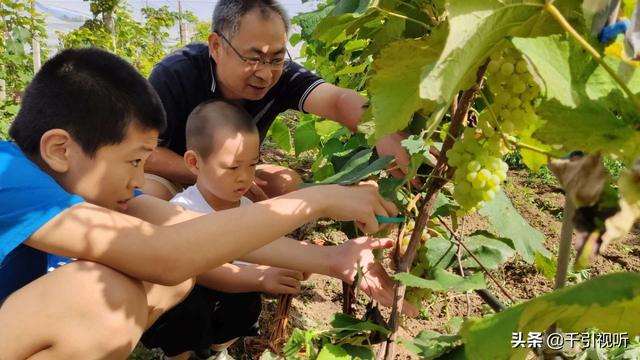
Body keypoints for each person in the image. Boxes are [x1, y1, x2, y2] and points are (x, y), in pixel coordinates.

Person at [0, 48, 413, 359]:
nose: (140, 178)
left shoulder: (75, 186)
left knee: (174, 278)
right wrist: (317, 199)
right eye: (133, 161)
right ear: (59, 149)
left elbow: (185, 229)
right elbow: (164, 255)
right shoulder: (7, 175)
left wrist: (329, 259)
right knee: (102, 295)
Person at [142, 0, 411, 201]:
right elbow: (145, 153)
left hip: (233, 172)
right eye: (253, 57)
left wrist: (381, 129)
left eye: (276, 58)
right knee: (151, 196)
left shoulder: (282, 76)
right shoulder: (175, 74)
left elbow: (337, 100)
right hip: (176, 175)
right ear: (216, 46)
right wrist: (213, 177)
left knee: (286, 185)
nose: (265, 73)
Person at [144, 100, 307, 360]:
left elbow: (266, 247)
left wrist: (298, 259)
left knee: (246, 306)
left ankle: (215, 351)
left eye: (252, 165)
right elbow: (202, 269)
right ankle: (178, 356)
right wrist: (260, 277)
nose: (244, 177)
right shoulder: (182, 210)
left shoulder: (248, 208)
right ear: (194, 163)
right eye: (232, 167)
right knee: (186, 311)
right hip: (190, 292)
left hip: (232, 288)